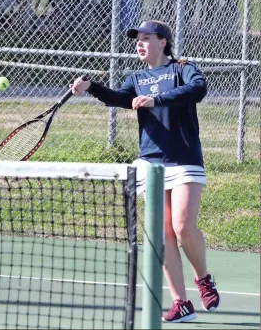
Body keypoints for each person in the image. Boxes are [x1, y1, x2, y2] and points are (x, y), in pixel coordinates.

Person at [69, 20, 220, 323]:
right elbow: (119, 98)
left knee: (182, 227)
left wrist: (157, 99)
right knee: (162, 236)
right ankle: (182, 303)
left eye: (146, 38)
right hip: (151, 162)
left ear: (163, 41)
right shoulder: (136, 77)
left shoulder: (182, 68)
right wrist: (91, 88)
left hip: (185, 159)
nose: (139, 43)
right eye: (137, 39)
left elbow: (198, 89)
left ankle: (203, 277)